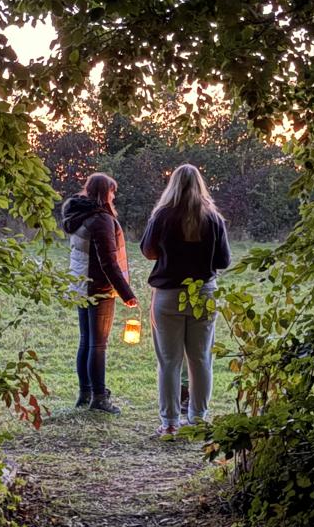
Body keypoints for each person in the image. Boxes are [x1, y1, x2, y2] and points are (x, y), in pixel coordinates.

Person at [140, 164, 231, 438]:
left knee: (169, 361)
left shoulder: (162, 216)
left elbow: (147, 251)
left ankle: (169, 422)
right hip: (203, 293)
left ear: (173, 184)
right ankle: (198, 420)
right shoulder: (213, 218)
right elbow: (223, 261)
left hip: (168, 296)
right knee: (201, 359)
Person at [60, 173, 138, 414]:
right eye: (112, 192)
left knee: (86, 341)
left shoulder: (78, 216)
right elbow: (108, 263)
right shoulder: (101, 220)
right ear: (105, 193)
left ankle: (84, 393)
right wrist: (127, 294)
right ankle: (99, 397)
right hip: (99, 289)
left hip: (80, 286)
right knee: (98, 345)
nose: (114, 196)